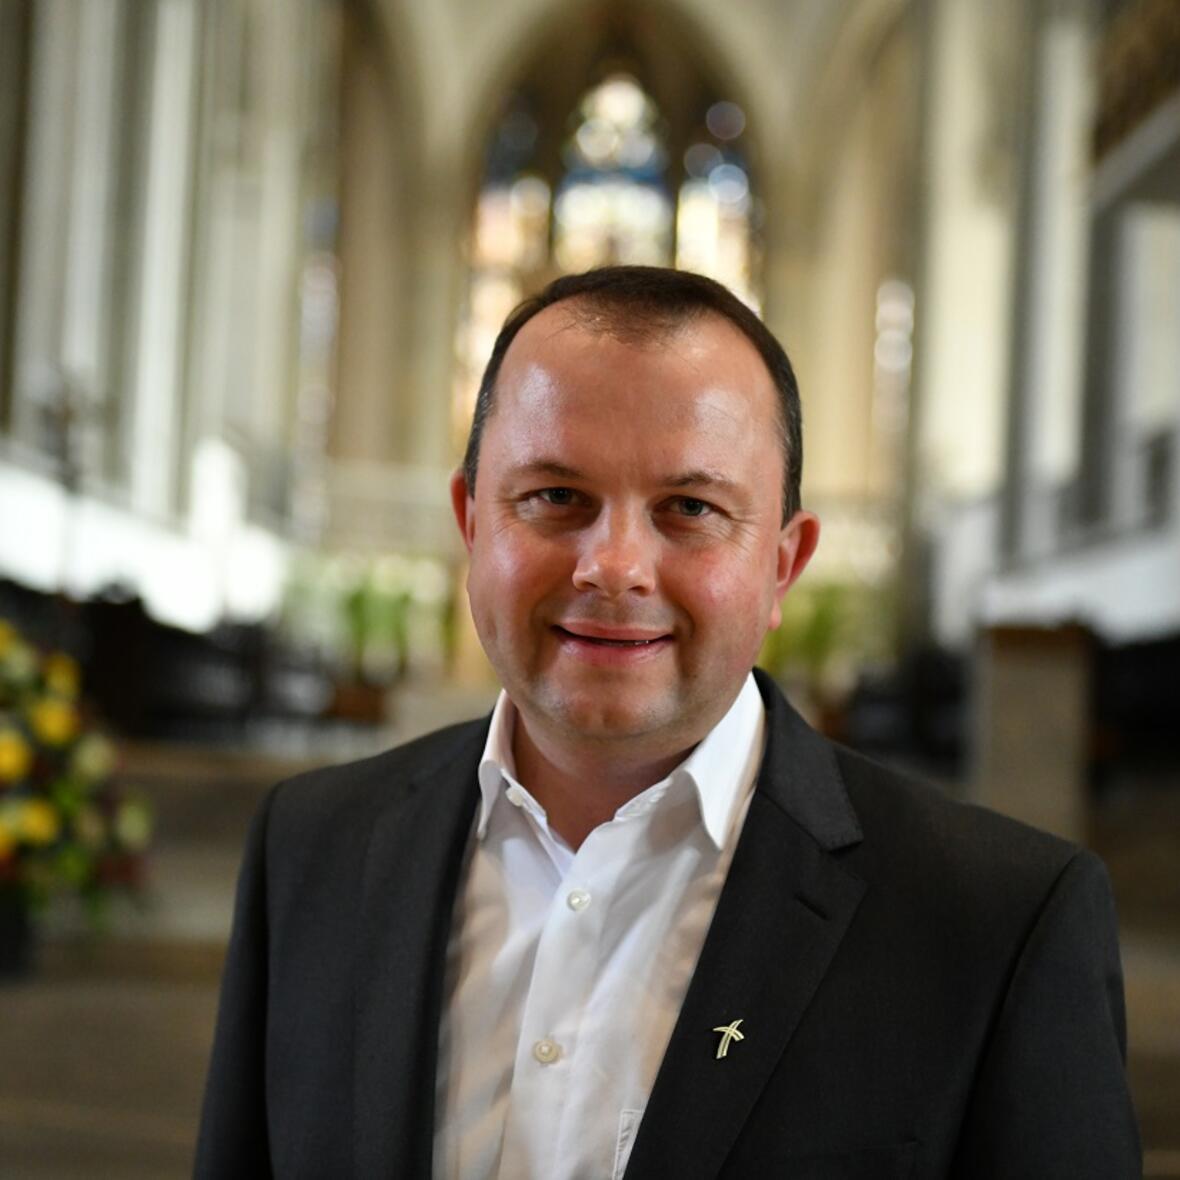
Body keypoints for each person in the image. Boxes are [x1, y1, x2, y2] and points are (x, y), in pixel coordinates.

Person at [195, 266, 1140, 1178]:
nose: (614, 567)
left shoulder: (1000, 923)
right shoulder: (309, 851)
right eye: (555, 497)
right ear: (471, 523)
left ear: (782, 563)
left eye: (689, 508)